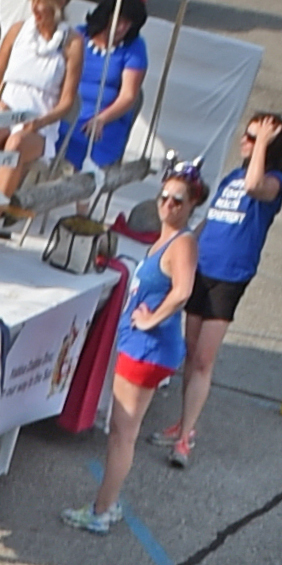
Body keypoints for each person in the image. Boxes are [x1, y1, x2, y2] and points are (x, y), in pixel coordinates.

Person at [65, 167, 203, 537]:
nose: (168, 206)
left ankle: (102, 509)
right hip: (142, 347)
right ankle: (107, 503)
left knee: (121, 433)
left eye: (178, 201)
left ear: (192, 205)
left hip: (147, 350)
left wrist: (150, 319)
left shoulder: (183, 243)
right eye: (164, 198)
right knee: (122, 430)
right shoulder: (167, 239)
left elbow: (183, 290)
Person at [171, 114, 282, 468]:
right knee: (190, 353)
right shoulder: (232, 177)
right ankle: (182, 422)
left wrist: (264, 145)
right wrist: (186, 241)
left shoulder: (272, 182)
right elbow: (213, 218)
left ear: (268, 146)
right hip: (203, 267)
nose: (245, 141)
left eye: (252, 138)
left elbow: (255, 186)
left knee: (205, 359)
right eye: (248, 135)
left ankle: (185, 438)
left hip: (230, 276)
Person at [0, 0, 86, 215]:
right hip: (4, 108)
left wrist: (38, 122)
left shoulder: (72, 44)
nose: (36, 8)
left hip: (39, 123)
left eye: (43, 2)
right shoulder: (18, 31)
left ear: (61, 3)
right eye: (34, 0)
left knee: (16, 142)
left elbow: (67, 101)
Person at [60, 0, 147, 170]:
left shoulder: (135, 47)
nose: (122, 27)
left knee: (89, 164)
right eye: (119, 20)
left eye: (128, 23)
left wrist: (101, 119)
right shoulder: (78, 36)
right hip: (67, 112)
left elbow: (129, 96)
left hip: (105, 121)